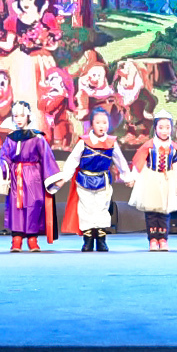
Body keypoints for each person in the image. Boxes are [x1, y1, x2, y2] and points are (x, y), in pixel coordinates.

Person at [52, 107, 123, 252]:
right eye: (98, 122)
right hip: (84, 180)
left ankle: (101, 240)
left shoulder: (111, 142)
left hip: (103, 180)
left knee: (102, 208)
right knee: (86, 209)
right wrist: (63, 178)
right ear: (92, 124)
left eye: (104, 122)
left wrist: (128, 177)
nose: (101, 126)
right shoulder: (84, 142)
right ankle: (88, 240)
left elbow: (120, 160)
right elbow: (73, 161)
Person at [0, 99, 56, 252]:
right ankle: (16, 239)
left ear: (28, 116)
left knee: (34, 205)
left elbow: (47, 158)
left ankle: (32, 238)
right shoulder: (10, 138)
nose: (19, 119)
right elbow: (5, 158)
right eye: (16, 116)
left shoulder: (37, 138)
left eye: (22, 116)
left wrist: (53, 178)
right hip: (16, 176)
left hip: (33, 176)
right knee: (16, 206)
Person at [127, 112, 177, 251]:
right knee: (151, 211)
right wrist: (132, 178)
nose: (164, 131)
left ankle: (163, 239)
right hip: (151, 180)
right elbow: (139, 163)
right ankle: (153, 239)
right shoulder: (149, 146)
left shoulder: (174, 149)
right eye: (161, 127)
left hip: (167, 180)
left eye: (167, 127)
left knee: (164, 211)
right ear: (155, 128)